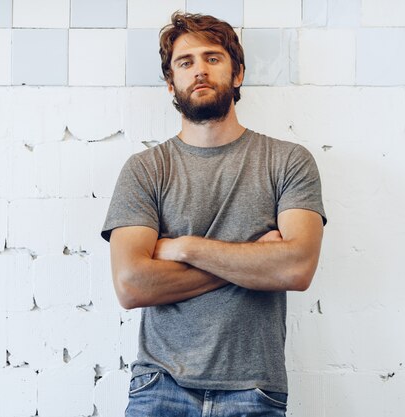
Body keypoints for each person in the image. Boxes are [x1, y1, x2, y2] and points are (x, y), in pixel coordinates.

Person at [101, 11, 327, 417]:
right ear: (171, 83)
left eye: (213, 58)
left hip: (254, 389)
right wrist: (254, 260)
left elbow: (296, 268)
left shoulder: (287, 161)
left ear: (237, 73)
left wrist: (183, 247)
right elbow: (131, 284)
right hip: (160, 385)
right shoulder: (146, 169)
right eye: (185, 63)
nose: (199, 70)